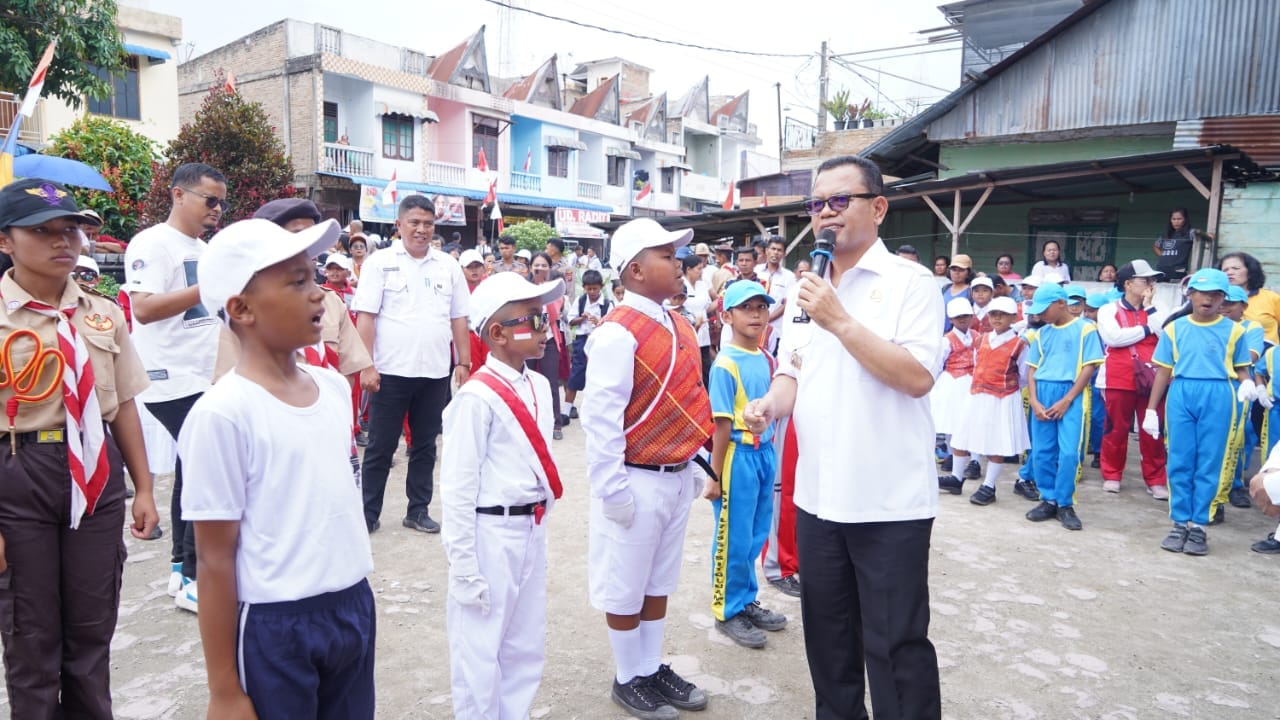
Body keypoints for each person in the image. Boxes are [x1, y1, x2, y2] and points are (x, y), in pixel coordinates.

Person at [745, 155, 943, 719]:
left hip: (888, 502)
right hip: (818, 500)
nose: (825, 214)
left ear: (877, 207)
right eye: (816, 204)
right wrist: (768, 406)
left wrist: (841, 320)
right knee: (828, 643)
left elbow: (916, 377)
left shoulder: (911, 284)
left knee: (895, 646)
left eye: (840, 201)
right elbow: (793, 374)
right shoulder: (810, 292)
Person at [179, 217, 376, 719]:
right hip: (276, 624)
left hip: (352, 604)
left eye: (314, 278)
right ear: (241, 309)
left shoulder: (331, 389)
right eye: (297, 282)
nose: (318, 295)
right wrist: (224, 688)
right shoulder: (223, 414)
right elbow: (215, 559)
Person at [0, 179, 159, 718]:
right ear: (5, 241)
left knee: (92, 627)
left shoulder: (103, 313)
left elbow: (125, 407)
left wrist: (144, 488)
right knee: (31, 631)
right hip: (20, 471)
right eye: (42, 231)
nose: (62, 241)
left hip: (94, 470)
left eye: (69, 229)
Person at [582, 218, 714, 719]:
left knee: (659, 580)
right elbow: (601, 417)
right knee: (626, 581)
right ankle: (626, 676)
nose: (677, 262)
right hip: (635, 477)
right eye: (665, 255)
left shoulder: (678, 322)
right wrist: (611, 488)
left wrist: (696, 462)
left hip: (676, 474)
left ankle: (651, 664)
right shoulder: (617, 331)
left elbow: (689, 395)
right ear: (635, 269)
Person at [441, 272, 565, 720]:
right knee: (479, 647)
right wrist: (464, 566)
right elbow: (456, 489)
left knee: (524, 644)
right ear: (496, 334)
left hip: (529, 527)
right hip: (490, 532)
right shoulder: (475, 399)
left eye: (545, 317)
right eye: (531, 319)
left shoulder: (539, 386)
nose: (544, 328)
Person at [124, 161, 226, 613]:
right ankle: (189, 574)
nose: (217, 210)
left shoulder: (205, 249)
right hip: (169, 378)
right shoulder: (151, 243)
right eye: (210, 200)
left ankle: (181, 570)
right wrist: (210, 286)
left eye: (222, 202)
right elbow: (143, 309)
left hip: (206, 375)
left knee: (195, 469)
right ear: (178, 195)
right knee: (203, 470)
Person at [352, 194, 470, 534]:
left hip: (434, 372)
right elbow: (366, 318)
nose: (421, 230)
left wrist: (463, 362)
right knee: (380, 446)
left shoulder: (448, 266)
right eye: (414, 223)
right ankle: (368, 513)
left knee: (425, 445)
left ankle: (417, 510)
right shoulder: (381, 263)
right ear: (399, 225)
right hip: (389, 372)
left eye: (428, 224)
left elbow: (459, 317)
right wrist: (366, 365)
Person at [702, 280, 787, 649]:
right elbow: (721, 424)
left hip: (764, 452)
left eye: (762, 307)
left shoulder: (767, 359)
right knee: (732, 537)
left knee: (755, 534)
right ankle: (727, 610)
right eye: (747, 307)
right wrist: (716, 476)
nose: (756, 314)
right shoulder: (725, 364)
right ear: (727, 316)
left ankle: (746, 599)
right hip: (736, 456)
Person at [1145, 269, 1254, 556]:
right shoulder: (1174, 329)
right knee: (1180, 459)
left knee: (1209, 461)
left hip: (1219, 394)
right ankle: (1179, 521)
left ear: (1223, 299)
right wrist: (1151, 409)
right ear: (1189, 294)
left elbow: (1242, 368)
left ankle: (1199, 526)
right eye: (1202, 292)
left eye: (1216, 294)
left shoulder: (1235, 331)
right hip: (1182, 392)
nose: (1208, 299)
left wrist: (1248, 385)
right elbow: (1164, 371)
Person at [1024, 283, 1103, 531]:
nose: (1039, 315)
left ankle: (1065, 503)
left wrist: (1068, 399)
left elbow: (1089, 367)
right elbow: (1032, 369)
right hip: (1043, 392)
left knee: (1069, 452)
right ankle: (1048, 498)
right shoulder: (1041, 333)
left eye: (1044, 309)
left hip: (1071, 392)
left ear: (1060, 303)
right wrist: (1035, 401)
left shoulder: (1086, 329)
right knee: (1041, 451)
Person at [1095, 260, 1170, 497]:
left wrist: (1148, 309)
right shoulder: (1109, 309)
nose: (1150, 284)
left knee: (1153, 430)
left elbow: (1166, 333)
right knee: (1116, 428)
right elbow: (1114, 338)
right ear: (1128, 283)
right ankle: (1112, 474)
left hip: (1153, 379)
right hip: (1118, 377)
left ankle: (1156, 479)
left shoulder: (1159, 308)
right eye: (1145, 280)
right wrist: (1147, 330)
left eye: (1152, 280)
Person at [948, 296, 1031, 505]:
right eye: (993, 314)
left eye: (1003, 314)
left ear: (1013, 317)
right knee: (963, 435)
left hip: (1003, 397)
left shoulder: (1019, 344)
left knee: (997, 441)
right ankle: (956, 478)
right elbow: (977, 363)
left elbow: (1023, 375)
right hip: (977, 393)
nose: (997, 318)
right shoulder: (982, 339)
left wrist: (1005, 387)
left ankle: (989, 485)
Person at [1218, 284, 1266, 517]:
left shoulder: (1251, 327)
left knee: (1242, 435)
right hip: (1215, 385)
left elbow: (1251, 357)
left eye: (1230, 303)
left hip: (1240, 387)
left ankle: (1235, 484)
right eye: (1222, 302)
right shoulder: (1213, 323)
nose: (1224, 307)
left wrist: (1222, 360)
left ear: (1243, 307)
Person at [935, 298, 979, 492]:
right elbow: (939, 363)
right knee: (954, 422)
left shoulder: (977, 336)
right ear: (951, 319)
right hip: (953, 382)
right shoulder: (946, 340)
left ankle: (975, 461)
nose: (962, 320)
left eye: (966, 316)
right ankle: (955, 462)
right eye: (958, 317)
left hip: (973, 381)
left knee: (973, 423)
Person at [528, 252, 567, 440]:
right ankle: (528, 422)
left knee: (551, 382)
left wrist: (545, 291)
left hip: (549, 339)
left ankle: (556, 423)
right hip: (526, 340)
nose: (540, 268)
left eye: (544, 265)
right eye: (537, 265)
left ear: (549, 268)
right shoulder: (524, 288)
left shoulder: (555, 290)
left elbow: (555, 315)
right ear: (530, 267)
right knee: (525, 381)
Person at [564, 268, 610, 422]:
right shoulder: (581, 301)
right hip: (582, 340)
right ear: (583, 287)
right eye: (588, 288)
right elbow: (571, 321)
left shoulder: (607, 305)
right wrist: (581, 318)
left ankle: (596, 411)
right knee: (576, 373)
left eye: (595, 289)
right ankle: (566, 410)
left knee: (598, 375)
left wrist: (599, 322)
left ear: (601, 287)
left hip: (599, 342)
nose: (591, 292)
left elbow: (612, 326)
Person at [1220, 251, 1280, 346]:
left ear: (1250, 272)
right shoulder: (1215, 299)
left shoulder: (1271, 298)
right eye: (1225, 270)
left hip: (1266, 356)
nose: (1229, 273)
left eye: (1235, 268)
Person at [755, 236, 794, 356]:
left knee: (774, 362)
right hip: (755, 327)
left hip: (777, 330)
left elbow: (787, 304)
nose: (775, 253)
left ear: (784, 254)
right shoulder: (756, 271)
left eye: (779, 250)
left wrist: (767, 319)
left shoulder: (789, 277)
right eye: (773, 249)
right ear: (767, 251)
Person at [1152, 208, 1203, 281]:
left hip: (1179, 270)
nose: (1176, 222)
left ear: (1185, 220)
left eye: (1179, 219)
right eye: (1174, 219)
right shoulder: (1166, 235)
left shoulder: (1190, 233)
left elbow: (1207, 236)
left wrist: (1203, 233)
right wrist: (1163, 255)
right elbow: (1156, 246)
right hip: (1161, 270)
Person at [942, 254, 973, 332]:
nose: (957, 273)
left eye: (961, 270)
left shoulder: (971, 292)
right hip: (942, 333)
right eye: (954, 269)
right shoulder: (945, 289)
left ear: (968, 273)